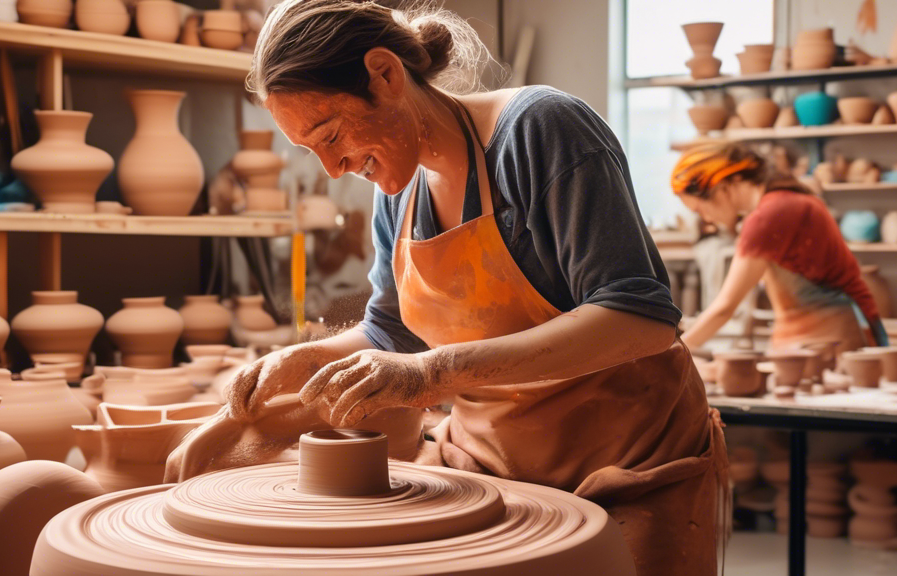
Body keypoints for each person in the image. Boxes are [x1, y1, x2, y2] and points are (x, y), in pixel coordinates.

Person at [227, 1, 728, 573]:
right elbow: (392, 335)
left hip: (630, 464)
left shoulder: (541, 130)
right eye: (309, 150)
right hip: (492, 468)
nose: (332, 168)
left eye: (331, 134)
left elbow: (640, 319)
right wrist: (297, 360)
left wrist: (435, 373)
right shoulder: (397, 191)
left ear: (385, 74)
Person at [671, 142, 886, 353]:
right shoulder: (789, 200)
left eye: (700, 210)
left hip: (827, 342)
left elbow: (725, 307)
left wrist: (676, 352)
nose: (706, 219)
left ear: (724, 187)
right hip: (823, 337)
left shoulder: (768, 215)